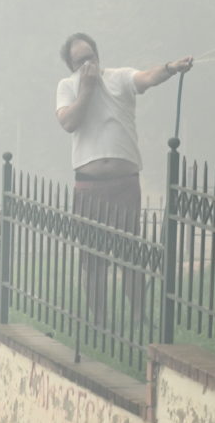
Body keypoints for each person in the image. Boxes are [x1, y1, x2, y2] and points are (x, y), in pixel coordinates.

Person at [55, 32, 192, 325]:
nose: (88, 63)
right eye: (81, 60)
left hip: (125, 182)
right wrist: (87, 90)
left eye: (91, 56)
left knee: (130, 254)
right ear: (71, 65)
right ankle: (100, 320)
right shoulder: (67, 87)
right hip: (89, 185)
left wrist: (170, 68)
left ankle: (140, 316)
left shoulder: (119, 78)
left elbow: (146, 78)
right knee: (93, 258)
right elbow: (68, 122)